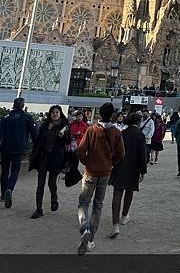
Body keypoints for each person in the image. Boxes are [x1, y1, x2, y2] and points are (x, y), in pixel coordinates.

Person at [77, 102, 125, 255]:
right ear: (112, 115)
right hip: (105, 172)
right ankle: (90, 237)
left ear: (99, 114)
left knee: (84, 202)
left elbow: (81, 149)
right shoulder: (116, 132)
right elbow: (121, 153)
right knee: (98, 204)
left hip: (90, 171)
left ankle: (84, 230)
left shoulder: (91, 130)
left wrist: (86, 161)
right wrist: (111, 163)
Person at [109, 112, 147, 238]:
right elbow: (143, 155)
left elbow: (114, 150)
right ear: (138, 122)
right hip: (133, 168)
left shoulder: (122, 133)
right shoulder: (140, 135)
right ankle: (124, 215)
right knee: (129, 191)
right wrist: (143, 171)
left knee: (117, 193)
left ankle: (115, 223)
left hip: (120, 166)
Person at [29, 105, 70, 219]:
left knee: (51, 182)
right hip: (43, 157)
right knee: (40, 184)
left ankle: (54, 198)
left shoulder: (64, 126)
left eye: (57, 112)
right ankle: (38, 209)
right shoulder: (45, 125)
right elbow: (38, 141)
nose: (55, 114)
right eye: (53, 112)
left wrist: (63, 135)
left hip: (56, 158)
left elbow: (68, 141)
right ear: (50, 114)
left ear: (60, 113)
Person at [0, 97, 37, 208]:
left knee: (4, 171)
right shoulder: (27, 117)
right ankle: (9, 189)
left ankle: (3, 194)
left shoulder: (6, 117)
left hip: (5, 147)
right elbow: (34, 133)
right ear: (23, 106)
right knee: (15, 170)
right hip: (18, 148)